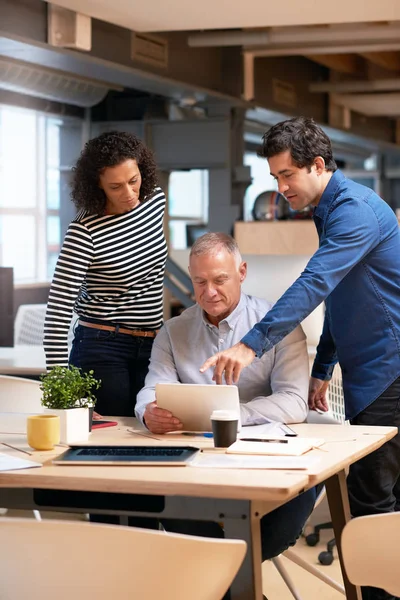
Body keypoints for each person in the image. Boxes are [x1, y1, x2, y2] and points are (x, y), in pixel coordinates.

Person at [201, 118, 400, 600]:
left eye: (287, 175)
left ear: (317, 165)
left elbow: (314, 283)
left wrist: (251, 343)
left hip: (389, 372)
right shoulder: (329, 209)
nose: (281, 187)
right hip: (368, 371)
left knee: (373, 508)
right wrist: (322, 365)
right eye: (274, 178)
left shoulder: (354, 211)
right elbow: (342, 293)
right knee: (379, 506)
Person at [136, 232, 317, 567]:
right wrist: (148, 412)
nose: (209, 293)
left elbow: (294, 402)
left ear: (242, 272)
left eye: (220, 280)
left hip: (273, 466)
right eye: (200, 281)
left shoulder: (278, 324)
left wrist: (229, 414)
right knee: (180, 521)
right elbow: (152, 388)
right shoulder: (173, 331)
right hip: (197, 466)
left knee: (269, 534)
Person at [43, 131, 167, 417]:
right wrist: (64, 391)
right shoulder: (84, 232)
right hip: (102, 348)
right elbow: (57, 314)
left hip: (155, 346)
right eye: (116, 187)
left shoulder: (154, 201)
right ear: (97, 187)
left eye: (133, 180)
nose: (129, 193)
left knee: (156, 436)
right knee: (111, 440)